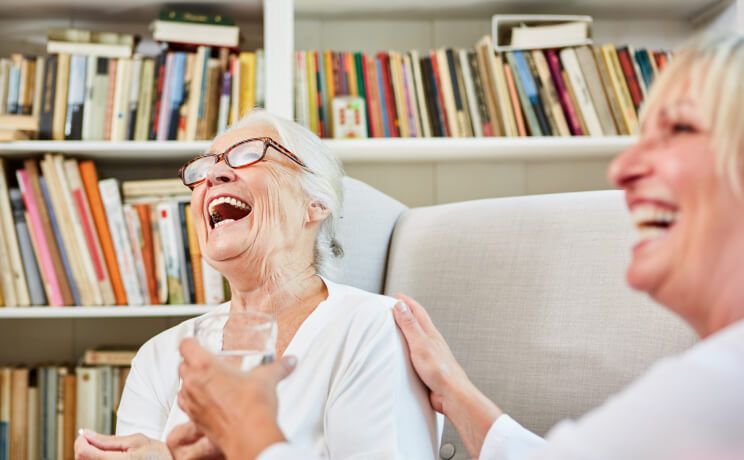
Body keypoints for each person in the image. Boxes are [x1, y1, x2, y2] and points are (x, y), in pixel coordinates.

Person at [167, 31, 744, 460]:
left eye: (683, 130)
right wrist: (459, 398)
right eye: (205, 166)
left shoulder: (718, 388)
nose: (622, 168)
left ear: (318, 206)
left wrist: (248, 435)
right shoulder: (706, 384)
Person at [73, 110, 440, 459]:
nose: (214, 175)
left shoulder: (373, 328)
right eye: (203, 168)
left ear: (316, 203)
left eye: (248, 154)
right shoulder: (159, 356)